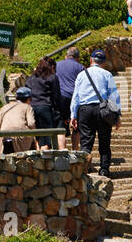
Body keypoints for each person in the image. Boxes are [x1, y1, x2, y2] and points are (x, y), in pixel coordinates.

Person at [70, 49, 121, 177]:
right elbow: (114, 96)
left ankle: (83, 170)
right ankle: (104, 169)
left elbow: (75, 96)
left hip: (85, 110)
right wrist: (117, 115)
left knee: (86, 142)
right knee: (104, 141)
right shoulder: (107, 74)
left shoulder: (81, 75)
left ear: (91, 60)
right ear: (103, 62)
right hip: (102, 109)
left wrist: (73, 115)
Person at [25, 57, 65, 150]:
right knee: (46, 138)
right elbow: (57, 97)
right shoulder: (52, 77)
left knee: (38, 137)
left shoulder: (31, 78)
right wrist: (61, 113)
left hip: (32, 108)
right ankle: (46, 161)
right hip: (45, 108)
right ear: (51, 67)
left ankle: (38, 160)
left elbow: (26, 91)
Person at [0, 86, 35, 155]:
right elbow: (31, 123)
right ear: (29, 99)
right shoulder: (27, 107)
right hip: (20, 139)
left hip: (4, 138)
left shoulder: (4, 107)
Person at [55, 47, 83, 130]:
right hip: (74, 99)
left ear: (66, 56)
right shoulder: (80, 67)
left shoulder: (56, 65)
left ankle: (61, 142)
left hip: (61, 98)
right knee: (76, 127)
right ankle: (75, 143)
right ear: (77, 58)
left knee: (61, 127)